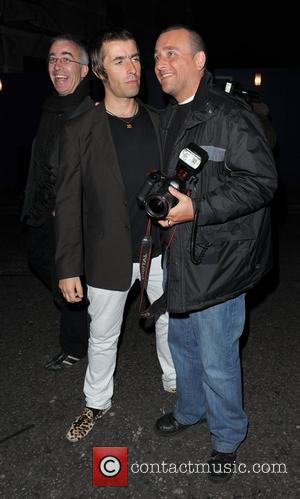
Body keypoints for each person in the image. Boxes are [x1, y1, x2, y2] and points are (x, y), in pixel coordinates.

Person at [153, 25, 277, 482]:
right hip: (180, 250)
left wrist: (197, 209)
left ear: (199, 61)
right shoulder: (170, 115)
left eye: (171, 52)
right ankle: (190, 411)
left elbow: (262, 182)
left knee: (217, 356)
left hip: (220, 259)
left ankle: (227, 437)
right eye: (156, 55)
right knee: (182, 343)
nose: (160, 62)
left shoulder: (230, 114)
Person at [55, 29, 176, 442]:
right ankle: (96, 402)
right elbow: (68, 200)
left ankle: (176, 384)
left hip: (160, 248)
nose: (133, 68)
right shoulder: (80, 128)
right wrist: (69, 266)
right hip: (108, 253)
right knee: (103, 334)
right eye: (120, 60)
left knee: (170, 321)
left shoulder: (161, 121)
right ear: (101, 72)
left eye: (136, 58)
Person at [21, 35, 93, 370]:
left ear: (85, 69)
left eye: (66, 58)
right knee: (38, 259)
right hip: (42, 207)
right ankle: (84, 303)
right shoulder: (52, 107)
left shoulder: (90, 112)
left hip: (68, 213)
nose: (57, 65)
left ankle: (76, 345)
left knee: (67, 275)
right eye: (52, 58)